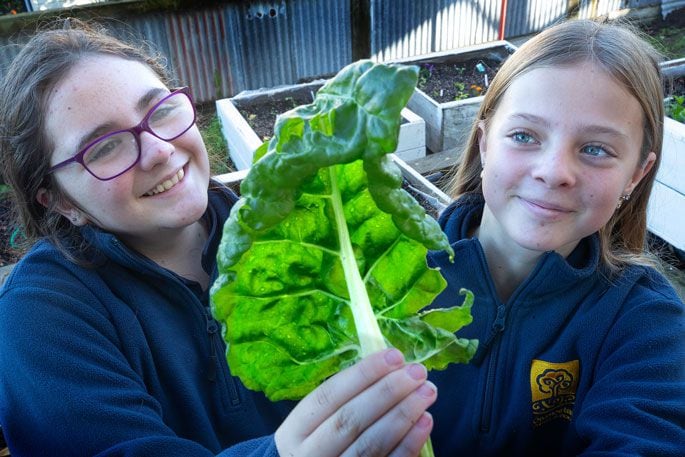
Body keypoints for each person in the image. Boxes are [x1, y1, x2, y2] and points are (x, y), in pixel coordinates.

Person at [0, 19, 436, 457]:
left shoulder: (290, 228)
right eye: (105, 147)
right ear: (59, 201)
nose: (159, 150)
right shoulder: (40, 317)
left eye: (160, 110)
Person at [425, 18, 685, 456]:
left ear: (636, 176)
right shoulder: (372, 276)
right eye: (524, 136)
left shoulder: (646, 322)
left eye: (596, 149)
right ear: (486, 144)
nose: (553, 172)